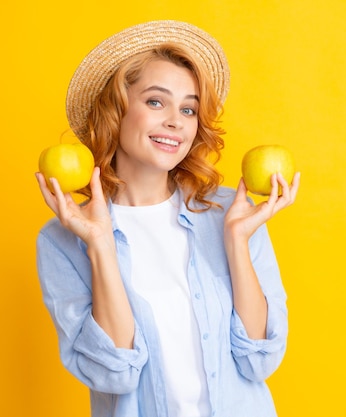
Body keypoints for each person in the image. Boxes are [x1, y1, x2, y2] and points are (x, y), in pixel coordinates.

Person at [35, 20, 300, 417]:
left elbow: (259, 360)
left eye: (189, 109)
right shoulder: (61, 240)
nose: (176, 121)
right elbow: (115, 375)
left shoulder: (233, 215)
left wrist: (237, 242)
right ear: (116, 110)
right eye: (156, 102)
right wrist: (100, 246)